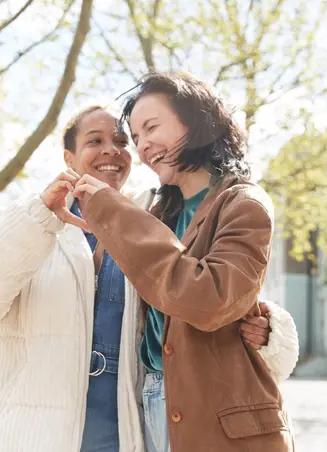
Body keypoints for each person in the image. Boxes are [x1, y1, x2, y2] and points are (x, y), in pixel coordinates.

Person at [0, 104, 299, 452]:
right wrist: (39, 216)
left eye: (123, 141)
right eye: (95, 141)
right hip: (31, 437)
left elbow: (210, 295)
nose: (112, 150)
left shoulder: (153, 225)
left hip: (125, 437)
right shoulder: (30, 223)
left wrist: (269, 331)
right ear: (68, 159)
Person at [71, 73, 296, 452]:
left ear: (195, 123)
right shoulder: (157, 213)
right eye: (137, 137)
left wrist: (111, 210)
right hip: (152, 399)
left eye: (151, 127)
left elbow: (210, 299)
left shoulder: (243, 203)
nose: (143, 146)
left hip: (222, 416)